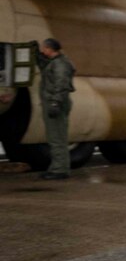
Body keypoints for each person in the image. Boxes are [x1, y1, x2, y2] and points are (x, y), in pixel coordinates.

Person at [32, 38, 76, 180]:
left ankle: (60, 170)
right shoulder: (55, 63)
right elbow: (46, 69)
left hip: (56, 103)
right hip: (53, 102)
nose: (43, 50)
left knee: (57, 138)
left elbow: (61, 84)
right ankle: (56, 167)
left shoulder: (60, 65)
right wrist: (36, 55)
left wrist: (55, 103)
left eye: (44, 48)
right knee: (54, 137)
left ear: (50, 49)